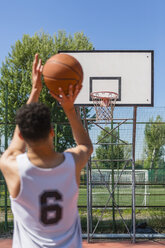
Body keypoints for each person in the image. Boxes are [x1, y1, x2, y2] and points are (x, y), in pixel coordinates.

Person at [0, 54, 93, 248]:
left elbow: (15, 145)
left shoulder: (12, 167)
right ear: (52, 131)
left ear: (22, 135)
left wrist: (35, 90)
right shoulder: (72, 163)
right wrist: (69, 108)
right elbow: (86, 146)